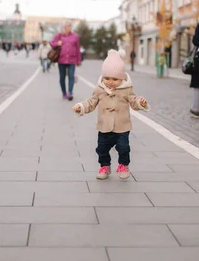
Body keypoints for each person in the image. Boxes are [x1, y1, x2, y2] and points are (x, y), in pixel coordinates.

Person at [72, 49, 150, 180]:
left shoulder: (126, 89)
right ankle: (105, 166)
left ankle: (124, 165)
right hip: (104, 126)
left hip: (122, 126)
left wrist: (140, 102)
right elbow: (91, 102)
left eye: (115, 79)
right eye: (107, 78)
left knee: (123, 147)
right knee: (101, 149)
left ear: (122, 77)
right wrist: (81, 107)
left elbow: (134, 101)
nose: (110, 81)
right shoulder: (100, 89)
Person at [51, 21, 81, 100]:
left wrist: (79, 60)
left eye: (69, 26)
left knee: (71, 76)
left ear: (70, 27)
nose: (67, 28)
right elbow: (52, 43)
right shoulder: (59, 36)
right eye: (66, 26)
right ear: (63, 28)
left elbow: (77, 49)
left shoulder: (75, 36)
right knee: (62, 77)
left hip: (72, 60)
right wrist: (58, 43)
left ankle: (70, 92)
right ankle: (64, 92)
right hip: (61, 60)